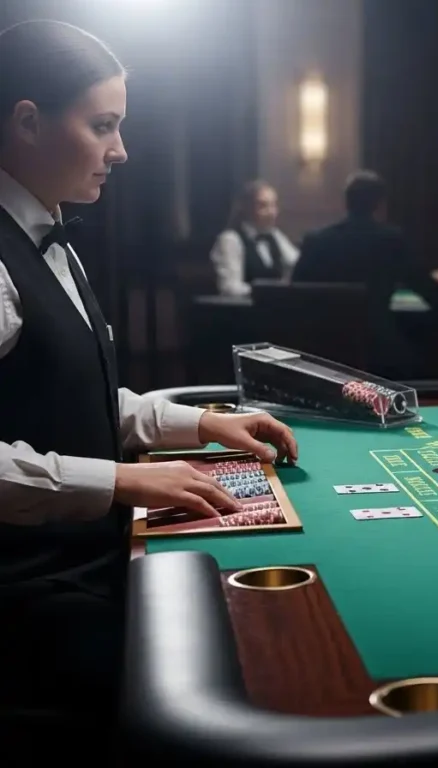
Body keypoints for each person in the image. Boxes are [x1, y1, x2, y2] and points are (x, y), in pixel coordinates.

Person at [0, 19, 299, 746]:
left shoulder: (51, 235)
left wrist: (199, 426)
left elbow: (74, 396)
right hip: (32, 598)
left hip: (85, 563)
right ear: (30, 121)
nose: (121, 150)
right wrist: (125, 483)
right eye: (103, 125)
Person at [292, 170, 438, 378]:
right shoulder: (391, 240)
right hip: (379, 351)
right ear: (380, 204)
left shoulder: (317, 241)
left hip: (323, 352)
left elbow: (294, 293)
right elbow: (430, 291)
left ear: (346, 203)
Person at [209, 178, 300, 296]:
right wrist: (269, 291)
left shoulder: (275, 235)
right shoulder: (230, 240)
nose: (272, 212)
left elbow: (298, 264)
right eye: (263, 206)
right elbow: (229, 288)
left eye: (273, 205)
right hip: (245, 311)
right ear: (246, 208)